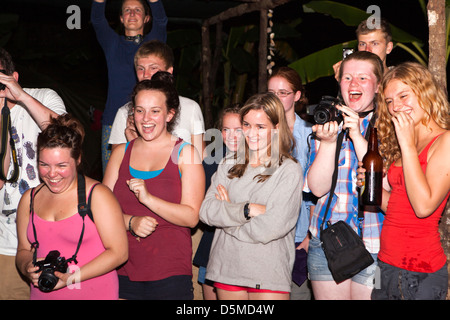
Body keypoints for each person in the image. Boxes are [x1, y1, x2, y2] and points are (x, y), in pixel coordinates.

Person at [103, 78, 205, 300]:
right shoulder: (120, 153)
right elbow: (100, 212)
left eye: (155, 111)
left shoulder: (185, 154)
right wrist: (131, 222)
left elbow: (191, 217)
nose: (146, 119)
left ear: (169, 115)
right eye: (140, 111)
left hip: (169, 272)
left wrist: (148, 199)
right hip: (121, 266)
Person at [200, 92, 302, 300]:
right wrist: (247, 210)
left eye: (260, 127)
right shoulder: (229, 162)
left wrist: (228, 213)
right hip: (227, 266)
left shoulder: (288, 169)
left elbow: (271, 227)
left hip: (267, 271)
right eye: (246, 125)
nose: (251, 133)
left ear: (276, 127)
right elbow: (206, 211)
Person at [15, 113, 128, 300]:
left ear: (78, 159)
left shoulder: (98, 196)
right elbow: (23, 250)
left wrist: (71, 278)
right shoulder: (29, 198)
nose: (52, 174)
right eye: (44, 164)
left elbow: (119, 252)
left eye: (61, 165)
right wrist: (27, 267)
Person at [304, 51, 385, 300]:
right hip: (327, 241)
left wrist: (357, 136)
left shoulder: (390, 124)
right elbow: (316, 189)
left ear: (379, 85)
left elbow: (385, 184)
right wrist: (328, 143)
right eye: (347, 77)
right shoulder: (328, 121)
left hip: (374, 243)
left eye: (363, 77)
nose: (353, 84)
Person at [366, 62, 450, 300]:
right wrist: (369, 184)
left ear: (425, 93)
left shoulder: (444, 141)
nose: (396, 107)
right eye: (390, 101)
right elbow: (399, 206)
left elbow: (423, 208)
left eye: (403, 96)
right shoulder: (406, 141)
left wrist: (407, 146)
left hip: (419, 271)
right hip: (385, 265)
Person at [0, 48, 66, 300]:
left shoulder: (42, 96)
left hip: (56, 235)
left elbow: (65, 136)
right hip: (9, 243)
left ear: (13, 76)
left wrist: (21, 97)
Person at [91, 0, 167, 171]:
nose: (132, 14)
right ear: (121, 19)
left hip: (149, 121)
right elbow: (97, 19)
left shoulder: (153, 44)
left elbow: (162, 21)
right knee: (112, 178)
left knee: (146, 177)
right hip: (112, 122)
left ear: (147, 18)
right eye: (127, 10)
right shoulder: (112, 44)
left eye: (137, 10)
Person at [108, 40, 205, 157]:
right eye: (141, 69)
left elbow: (200, 158)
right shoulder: (125, 112)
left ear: (169, 71)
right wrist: (135, 143)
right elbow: (117, 166)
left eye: (153, 68)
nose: (146, 75)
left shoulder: (191, 107)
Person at [267, 66, 314, 300]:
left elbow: (320, 190)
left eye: (283, 92)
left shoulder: (311, 134)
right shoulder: (259, 132)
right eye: (271, 92)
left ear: (297, 96)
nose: (276, 98)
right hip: (266, 232)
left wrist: (309, 238)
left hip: (300, 233)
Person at [193, 104, 242, 300]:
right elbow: (203, 208)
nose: (231, 136)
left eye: (239, 129)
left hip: (245, 250)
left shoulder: (262, 163)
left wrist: (227, 206)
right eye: (226, 129)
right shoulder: (211, 162)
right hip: (212, 245)